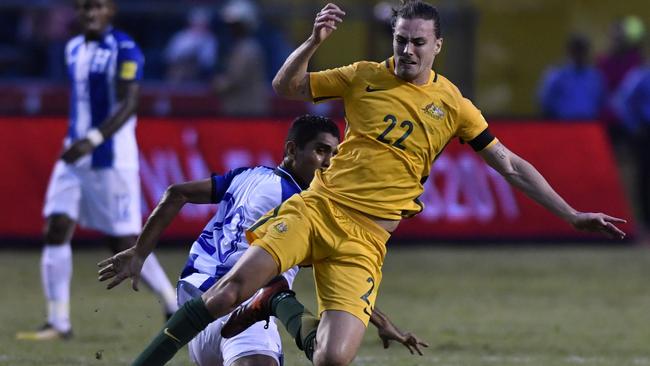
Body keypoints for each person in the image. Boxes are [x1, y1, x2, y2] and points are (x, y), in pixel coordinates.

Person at [100, 2, 627, 365]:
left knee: (333, 357)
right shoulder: (362, 74)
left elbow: (510, 165)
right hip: (318, 209)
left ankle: (270, 304)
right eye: (401, 40)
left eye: (418, 43)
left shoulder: (456, 106)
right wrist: (312, 42)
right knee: (228, 289)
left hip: (367, 241)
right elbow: (286, 87)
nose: (408, 51)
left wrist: (570, 214)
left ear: (437, 45)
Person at [99, 115, 427, 365]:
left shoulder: (248, 175)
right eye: (321, 151)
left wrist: (139, 253)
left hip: (197, 312)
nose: (328, 163)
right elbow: (339, 272)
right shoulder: (304, 205)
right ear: (291, 150)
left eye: (334, 155)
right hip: (241, 309)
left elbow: (176, 193)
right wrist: (382, 321)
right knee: (300, 322)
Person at [16, 0, 177, 341]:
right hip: (74, 154)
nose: (90, 14)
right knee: (56, 226)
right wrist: (79, 141)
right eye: (84, 8)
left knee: (120, 241)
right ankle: (58, 322)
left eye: (97, 7)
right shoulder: (73, 47)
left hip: (110, 157)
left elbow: (129, 103)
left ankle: (172, 302)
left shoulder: (125, 49)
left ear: (111, 11)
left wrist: (92, 139)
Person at [212, 0, 270, 116]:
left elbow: (233, 80)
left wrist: (216, 84)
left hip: (247, 113)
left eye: (235, 25)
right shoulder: (242, 47)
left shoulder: (248, 49)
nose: (231, 29)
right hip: (242, 112)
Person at [537, 33, 605, 120]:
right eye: (576, 50)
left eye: (582, 50)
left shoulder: (595, 76)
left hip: (589, 125)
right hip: (564, 125)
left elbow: (601, 101)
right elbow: (544, 100)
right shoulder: (557, 73)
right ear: (569, 51)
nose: (579, 54)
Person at [163, 7, 218, 83]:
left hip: (197, 73)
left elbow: (208, 63)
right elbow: (169, 57)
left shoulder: (210, 39)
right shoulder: (180, 36)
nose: (199, 26)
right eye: (196, 23)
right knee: (177, 72)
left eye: (202, 24)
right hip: (177, 70)